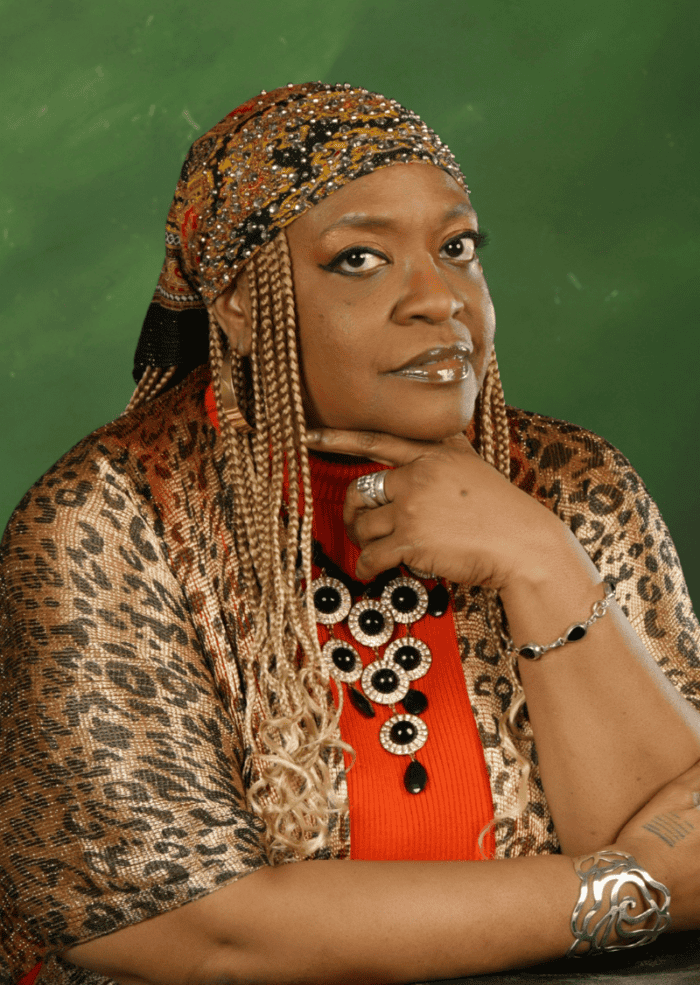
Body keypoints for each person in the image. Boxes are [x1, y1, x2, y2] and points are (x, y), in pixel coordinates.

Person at [1, 81, 700, 985]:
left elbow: (674, 830)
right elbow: (194, 932)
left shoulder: (574, 483)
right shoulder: (108, 517)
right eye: (362, 258)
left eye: (457, 248)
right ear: (242, 305)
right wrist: (617, 892)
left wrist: (539, 559)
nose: (438, 299)